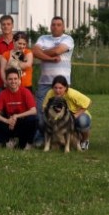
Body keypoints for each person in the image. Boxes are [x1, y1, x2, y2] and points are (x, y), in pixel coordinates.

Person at [32, 16, 74, 144]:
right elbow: (34, 51)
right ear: (50, 26)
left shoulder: (68, 39)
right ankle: (40, 138)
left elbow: (57, 50)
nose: (55, 27)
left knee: (64, 112)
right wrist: (50, 58)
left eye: (58, 24)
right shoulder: (43, 38)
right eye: (53, 24)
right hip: (44, 82)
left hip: (62, 85)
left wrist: (42, 53)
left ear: (63, 27)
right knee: (40, 112)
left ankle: (64, 139)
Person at [0, 67, 38, 150]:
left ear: (19, 80)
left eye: (15, 79)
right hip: (9, 123)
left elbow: (34, 111)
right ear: (6, 81)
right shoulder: (3, 94)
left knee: (34, 119)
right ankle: (7, 141)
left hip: (22, 122)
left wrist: (16, 116)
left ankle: (28, 143)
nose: (13, 81)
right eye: (10, 79)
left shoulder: (25, 92)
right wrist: (7, 120)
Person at [41, 75, 92, 150]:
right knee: (42, 122)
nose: (57, 90)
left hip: (78, 114)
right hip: (59, 116)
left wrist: (76, 115)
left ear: (66, 88)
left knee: (82, 121)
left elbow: (89, 102)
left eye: (60, 88)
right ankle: (54, 142)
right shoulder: (50, 93)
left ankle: (84, 141)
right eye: (55, 88)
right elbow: (45, 107)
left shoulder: (72, 93)